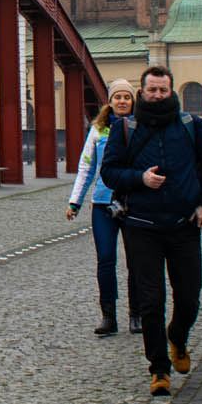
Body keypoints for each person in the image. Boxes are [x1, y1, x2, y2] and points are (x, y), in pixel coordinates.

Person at [100, 64, 202, 396]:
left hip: (183, 224)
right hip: (141, 226)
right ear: (143, 92)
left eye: (163, 90)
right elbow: (110, 173)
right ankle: (159, 369)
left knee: (189, 298)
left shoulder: (190, 127)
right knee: (151, 302)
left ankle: (178, 337)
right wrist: (139, 179)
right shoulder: (125, 128)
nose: (157, 95)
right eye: (152, 90)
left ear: (172, 92)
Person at [66, 79, 143, 336]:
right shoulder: (98, 130)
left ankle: (137, 314)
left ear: (133, 101)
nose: (122, 101)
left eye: (127, 97)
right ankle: (109, 316)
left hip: (134, 202)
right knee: (106, 259)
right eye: (117, 97)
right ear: (109, 102)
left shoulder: (141, 128)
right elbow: (86, 166)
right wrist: (75, 201)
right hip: (103, 203)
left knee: (137, 260)